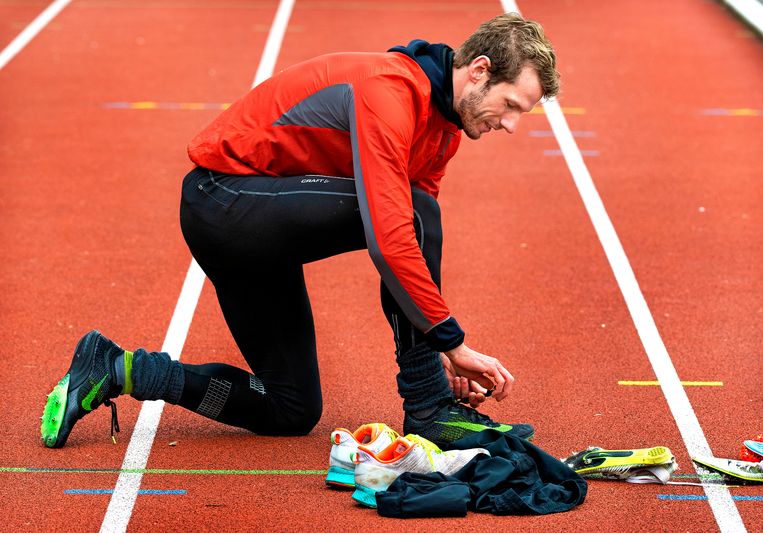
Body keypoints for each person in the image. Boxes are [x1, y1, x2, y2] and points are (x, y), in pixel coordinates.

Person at [40, 12, 560, 449]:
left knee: (291, 409)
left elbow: (416, 254)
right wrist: (451, 347)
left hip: (263, 234)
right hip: (224, 202)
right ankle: (428, 411)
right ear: (479, 70)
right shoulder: (390, 90)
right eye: (511, 105)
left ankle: (118, 367)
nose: (511, 125)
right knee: (414, 213)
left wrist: (434, 347)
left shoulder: (443, 132)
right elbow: (393, 234)